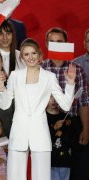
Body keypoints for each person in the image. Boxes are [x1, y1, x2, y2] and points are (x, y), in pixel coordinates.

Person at [0, 38, 76, 180]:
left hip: (40, 133)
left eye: (33, 53)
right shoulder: (15, 76)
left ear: (39, 54)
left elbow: (65, 105)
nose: (30, 57)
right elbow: (5, 105)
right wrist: (1, 87)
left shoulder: (49, 77)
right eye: (26, 54)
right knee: (15, 176)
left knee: (42, 177)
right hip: (19, 133)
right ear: (22, 57)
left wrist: (70, 83)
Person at [41, 27, 89, 180]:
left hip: (72, 124)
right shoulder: (40, 69)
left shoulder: (77, 69)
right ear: (47, 45)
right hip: (47, 126)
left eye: (60, 42)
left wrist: (86, 128)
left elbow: (84, 102)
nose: (56, 45)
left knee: (76, 170)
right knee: (50, 172)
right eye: (52, 42)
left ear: (66, 43)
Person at [46, 96, 73, 180]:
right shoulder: (42, 117)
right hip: (50, 162)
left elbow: (71, 139)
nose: (53, 100)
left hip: (65, 161)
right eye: (50, 97)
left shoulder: (65, 117)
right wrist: (54, 128)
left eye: (55, 97)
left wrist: (62, 134)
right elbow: (42, 139)